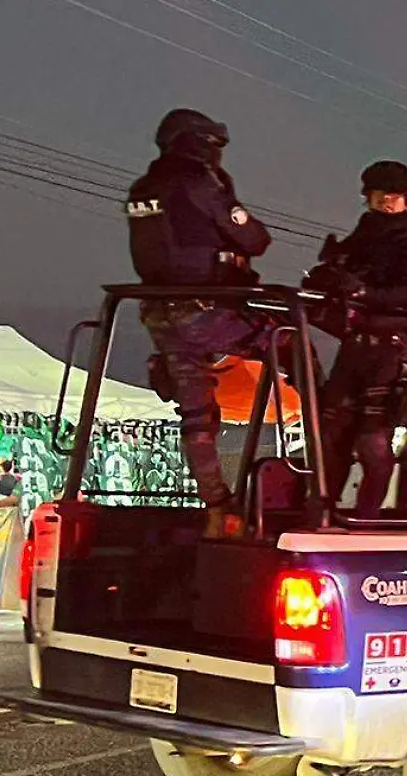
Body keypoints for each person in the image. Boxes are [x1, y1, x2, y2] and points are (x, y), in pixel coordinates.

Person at [126, 108, 272, 538]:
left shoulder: (143, 188)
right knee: (290, 344)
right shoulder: (197, 183)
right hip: (204, 311)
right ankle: (325, 472)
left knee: (197, 414)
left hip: (161, 315)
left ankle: (218, 507)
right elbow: (254, 238)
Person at [306, 160, 407, 519]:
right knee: (332, 436)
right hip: (354, 348)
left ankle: (365, 519)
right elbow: (332, 281)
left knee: (373, 442)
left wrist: (363, 290)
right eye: (379, 196)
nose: (385, 203)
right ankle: (323, 513)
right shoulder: (357, 242)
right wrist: (327, 278)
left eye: (393, 196)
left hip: (389, 350)